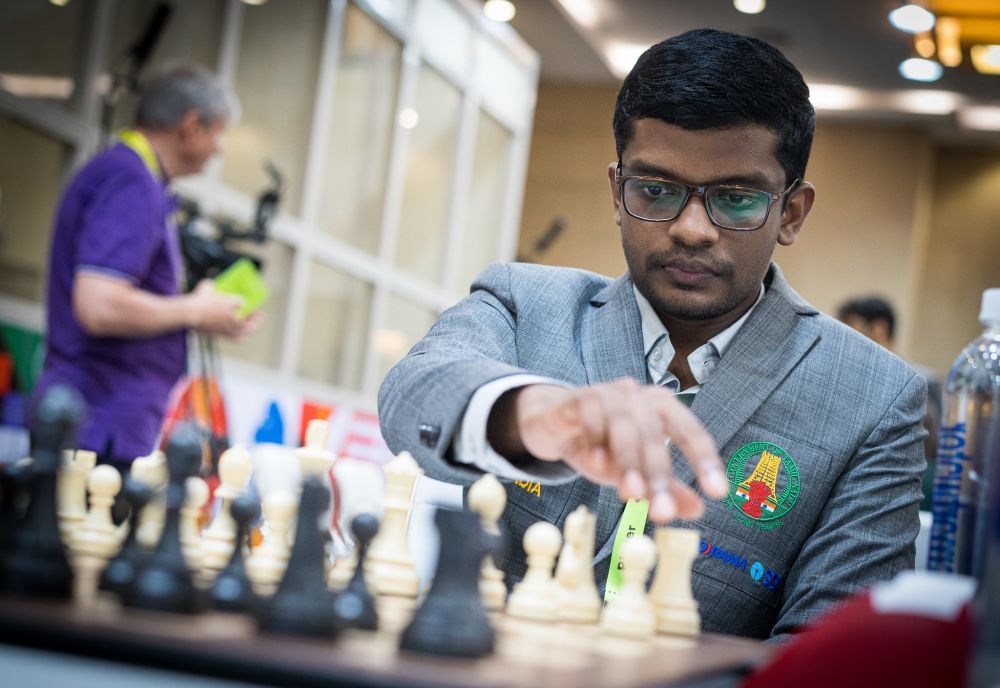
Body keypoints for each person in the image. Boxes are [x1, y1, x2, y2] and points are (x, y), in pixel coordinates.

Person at [379, 29, 927, 640]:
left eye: (737, 200)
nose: (692, 229)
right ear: (617, 192)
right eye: (657, 191)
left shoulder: (875, 400)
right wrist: (532, 410)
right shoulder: (524, 304)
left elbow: (829, 654)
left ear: (791, 212)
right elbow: (412, 397)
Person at [33, 67, 257, 474]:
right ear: (191, 127)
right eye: (217, 134)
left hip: (96, 420)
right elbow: (99, 305)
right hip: (94, 425)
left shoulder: (131, 175)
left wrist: (202, 314)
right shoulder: (131, 180)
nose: (219, 149)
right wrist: (192, 310)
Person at [837, 295, 942, 509]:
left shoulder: (914, 386)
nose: (843, 338)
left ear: (879, 329)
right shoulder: (853, 378)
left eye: (850, 328)